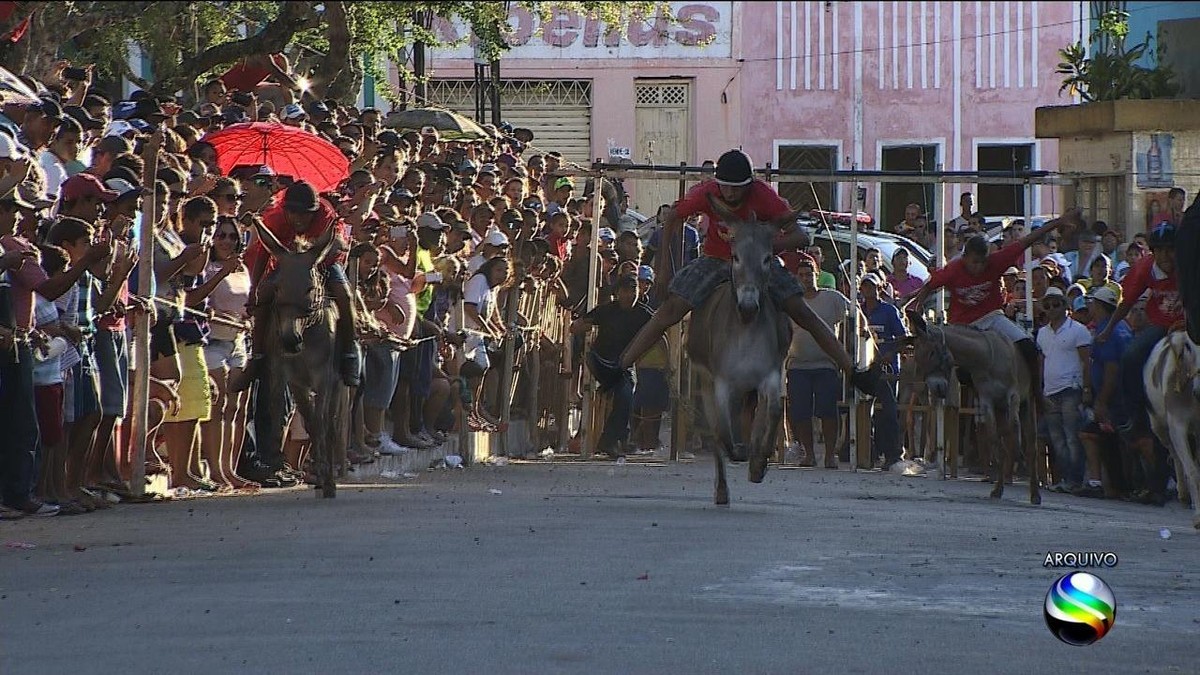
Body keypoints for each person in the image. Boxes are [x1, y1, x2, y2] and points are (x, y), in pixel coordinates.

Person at [618, 149, 878, 398]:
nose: (729, 193)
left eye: (736, 187)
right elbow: (673, 217)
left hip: (756, 262)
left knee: (802, 311)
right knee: (669, 311)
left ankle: (851, 370)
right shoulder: (707, 192)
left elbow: (800, 235)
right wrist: (664, 270)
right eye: (725, 186)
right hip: (715, 259)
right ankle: (619, 367)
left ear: (749, 185)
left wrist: (764, 246)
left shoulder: (765, 196)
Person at [906, 209, 1085, 402]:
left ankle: (1037, 395)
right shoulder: (953, 270)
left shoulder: (997, 261)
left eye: (982, 263)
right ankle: (946, 403)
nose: (978, 267)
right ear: (964, 257)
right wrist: (917, 306)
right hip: (963, 326)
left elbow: (1028, 240)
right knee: (944, 359)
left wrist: (1057, 223)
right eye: (973, 262)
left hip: (992, 317)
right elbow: (929, 285)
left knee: (1028, 347)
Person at [239, 181, 359, 388]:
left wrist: (312, 264)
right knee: (266, 293)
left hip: (323, 261)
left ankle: (349, 351)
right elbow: (263, 253)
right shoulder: (276, 219)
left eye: (305, 214)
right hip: (288, 263)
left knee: (344, 294)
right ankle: (257, 356)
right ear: (286, 210)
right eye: (293, 213)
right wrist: (254, 289)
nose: (299, 219)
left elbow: (332, 247)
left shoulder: (325, 215)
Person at [1095, 221, 1180, 505]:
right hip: (1160, 324)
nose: (1166, 257)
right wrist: (1108, 330)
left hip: (1190, 323)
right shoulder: (1145, 268)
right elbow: (1127, 302)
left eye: (1171, 250)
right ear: (1153, 252)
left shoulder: (1190, 264)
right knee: (1131, 355)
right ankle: (1136, 414)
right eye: (1161, 251)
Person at [784, 254, 855, 468]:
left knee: (827, 410)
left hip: (826, 365)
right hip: (797, 365)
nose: (806, 278)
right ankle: (809, 454)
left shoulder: (833, 298)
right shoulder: (791, 303)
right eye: (802, 275)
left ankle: (829, 455)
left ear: (817, 275)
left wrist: (848, 350)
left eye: (810, 274)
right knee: (800, 412)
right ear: (796, 278)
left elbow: (854, 317)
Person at [570, 274, 653, 459]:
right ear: (617, 292)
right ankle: (616, 438)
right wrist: (582, 328)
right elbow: (576, 326)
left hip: (624, 365)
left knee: (626, 394)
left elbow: (659, 330)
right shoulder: (607, 310)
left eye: (634, 290)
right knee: (622, 388)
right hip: (601, 362)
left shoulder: (643, 313)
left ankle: (610, 440)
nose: (630, 294)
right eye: (626, 290)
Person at [1035, 286, 1092, 494]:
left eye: (1056, 304)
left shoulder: (1078, 330)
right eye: (1048, 305)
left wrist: (1086, 389)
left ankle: (1075, 480)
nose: (1051, 309)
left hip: (1071, 389)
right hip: (1050, 391)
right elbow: (1041, 363)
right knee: (1057, 439)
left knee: (1071, 437)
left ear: (1065, 306)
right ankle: (1067, 478)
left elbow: (1087, 361)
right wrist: (1040, 389)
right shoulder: (1042, 333)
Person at [1078, 286, 1131, 499]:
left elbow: (1111, 369)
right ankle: (1114, 485)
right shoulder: (1120, 327)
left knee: (1101, 436)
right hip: (1118, 398)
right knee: (1109, 439)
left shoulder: (1108, 331)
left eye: (1093, 303)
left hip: (1114, 401)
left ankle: (1109, 485)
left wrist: (1101, 401)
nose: (1090, 306)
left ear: (1100, 306)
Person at [858, 272, 907, 472]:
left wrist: (891, 352)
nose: (868, 290)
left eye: (872, 286)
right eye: (865, 286)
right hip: (864, 367)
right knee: (862, 409)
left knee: (888, 410)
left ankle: (894, 453)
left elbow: (903, 337)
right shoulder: (858, 311)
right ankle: (867, 452)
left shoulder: (889, 311)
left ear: (880, 288)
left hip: (886, 368)